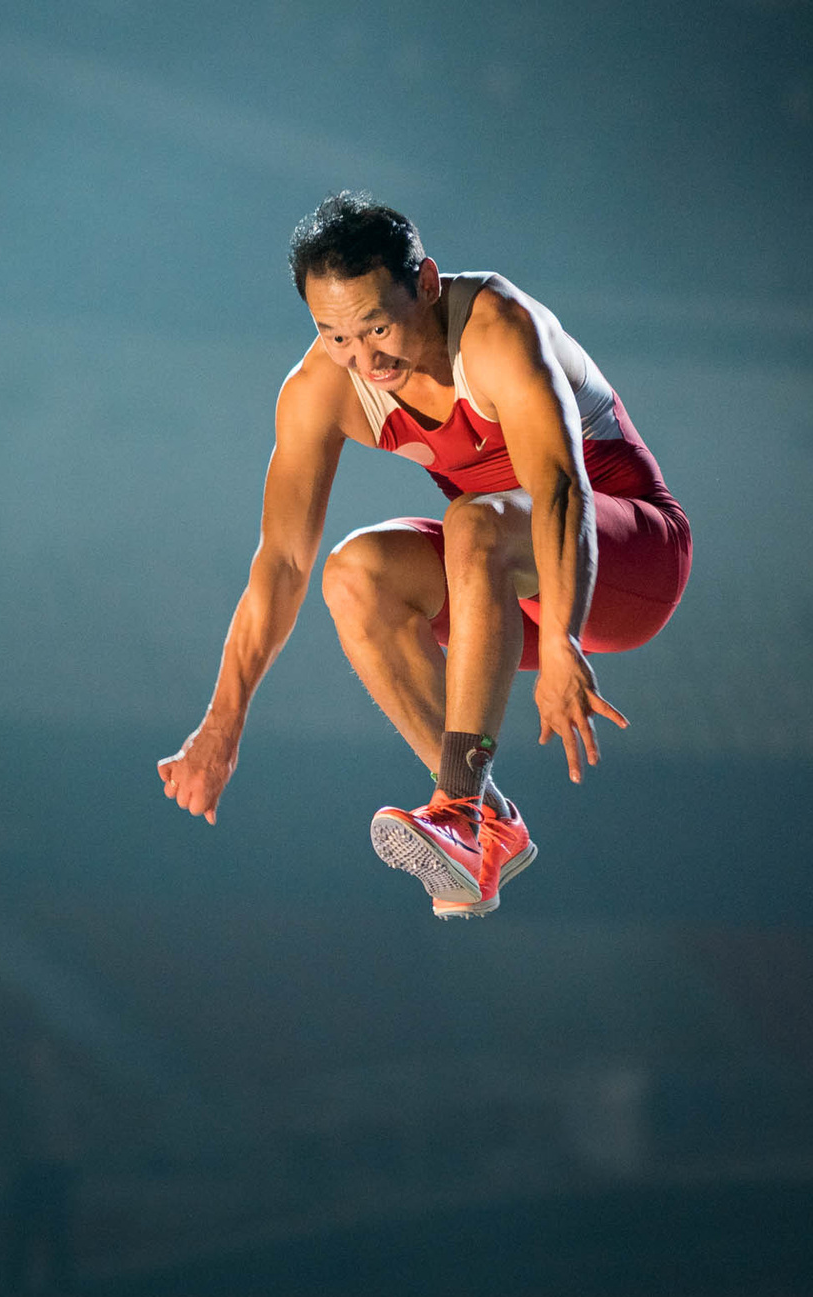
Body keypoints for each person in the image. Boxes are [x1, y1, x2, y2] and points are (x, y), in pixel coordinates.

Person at [158, 193, 692, 917]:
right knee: (354, 574)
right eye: (335, 335)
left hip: (629, 561)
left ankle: (457, 809)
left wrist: (563, 639)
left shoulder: (498, 329)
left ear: (429, 284)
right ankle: (485, 825)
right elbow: (282, 563)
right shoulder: (320, 387)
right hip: (510, 579)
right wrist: (223, 724)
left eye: (377, 326)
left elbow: (561, 491)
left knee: (474, 521)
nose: (365, 359)